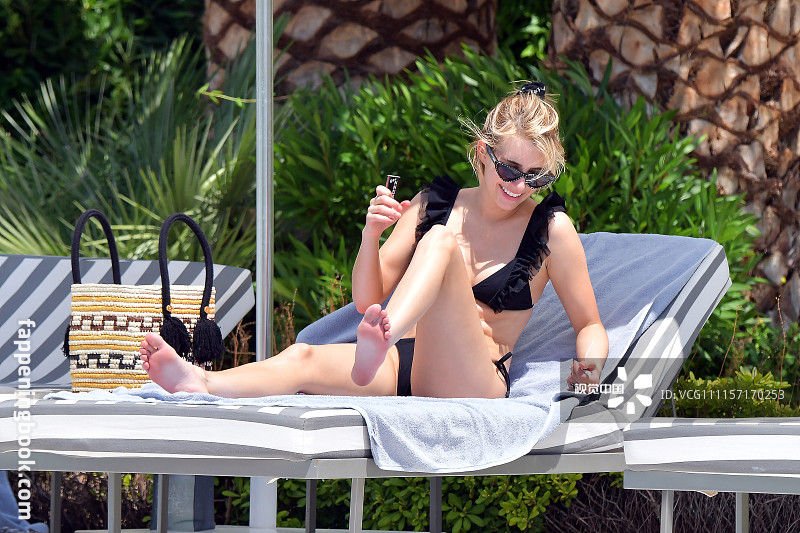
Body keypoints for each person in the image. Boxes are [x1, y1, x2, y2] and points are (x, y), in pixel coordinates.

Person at [139, 81, 608, 399]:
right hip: (402, 360)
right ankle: (201, 382)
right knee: (303, 355)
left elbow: (589, 324)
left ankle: (381, 341)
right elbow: (368, 300)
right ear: (484, 153)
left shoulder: (551, 230)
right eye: (509, 169)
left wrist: (591, 365)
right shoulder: (433, 204)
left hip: (474, 376)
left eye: (535, 177)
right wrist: (371, 234)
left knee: (440, 244)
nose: (519, 186)